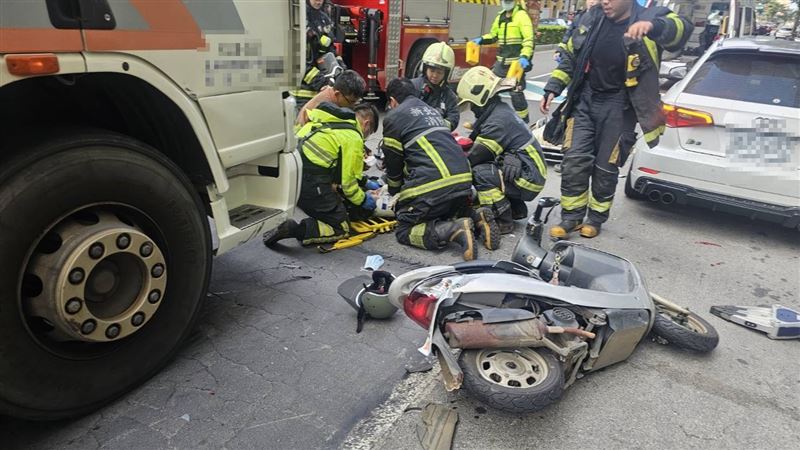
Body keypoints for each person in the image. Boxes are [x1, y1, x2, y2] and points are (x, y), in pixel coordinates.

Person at [540, 0, 692, 239]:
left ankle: (596, 218)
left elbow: (682, 29)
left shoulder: (651, 17)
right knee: (574, 160)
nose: (604, 1)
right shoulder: (592, 18)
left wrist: (653, 26)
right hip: (586, 100)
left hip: (620, 105)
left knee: (606, 166)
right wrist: (553, 87)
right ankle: (571, 217)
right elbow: (570, 54)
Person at [381, 78, 476, 261]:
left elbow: (394, 165)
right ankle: (476, 217)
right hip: (463, 181)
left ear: (392, 101)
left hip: (436, 184)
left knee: (404, 229)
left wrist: (394, 193)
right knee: (442, 210)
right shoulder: (432, 112)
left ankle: (453, 230)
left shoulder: (393, 117)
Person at [263, 101, 380, 247]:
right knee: (341, 227)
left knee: (338, 198)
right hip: (310, 186)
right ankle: (295, 229)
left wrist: (364, 181)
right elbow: (349, 186)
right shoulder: (352, 137)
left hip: (291, 181)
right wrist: (364, 200)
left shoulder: (324, 122)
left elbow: (340, 167)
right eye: (369, 134)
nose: (366, 137)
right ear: (367, 124)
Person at [457, 66, 547, 248]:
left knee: (479, 172)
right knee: (490, 168)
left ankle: (503, 219)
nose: (473, 110)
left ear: (481, 99)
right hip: (528, 168)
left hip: (529, 175)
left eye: (473, 105)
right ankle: (515, 208)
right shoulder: (499, 110)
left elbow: (474, 158)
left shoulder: (496, 121)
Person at [470, 0, 534, 123]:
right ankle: (484, 121)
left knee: (516, 94)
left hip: (516, 64)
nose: (507, 3)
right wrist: (481, 40)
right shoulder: (500, 17)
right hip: (501, 63)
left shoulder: (521, 16)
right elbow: (494, 35)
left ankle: (524, 123)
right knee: (488, 91)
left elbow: (528, 39)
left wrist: (525, 56)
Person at [293, 0, 338, 110]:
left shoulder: (324, 18)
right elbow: (296, 60)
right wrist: (320, 80)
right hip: (302, 93)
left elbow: (330, 49)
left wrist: (339, 67)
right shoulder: (299, 19)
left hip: (322, 90)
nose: (319, 1)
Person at [411, 42, 460, 131]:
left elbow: (454, 118)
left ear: (446, 74)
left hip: (437, 137)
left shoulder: (449, 96)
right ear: (425, 68)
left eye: (439, 72)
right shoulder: (412, 86)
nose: (435, 75)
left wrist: (437, 124)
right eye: (432, 70)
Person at [296, 69, 365, 128]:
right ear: (337, 94)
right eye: (351, 101)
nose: (353, 105)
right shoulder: (325, 107)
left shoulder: (332, 91)